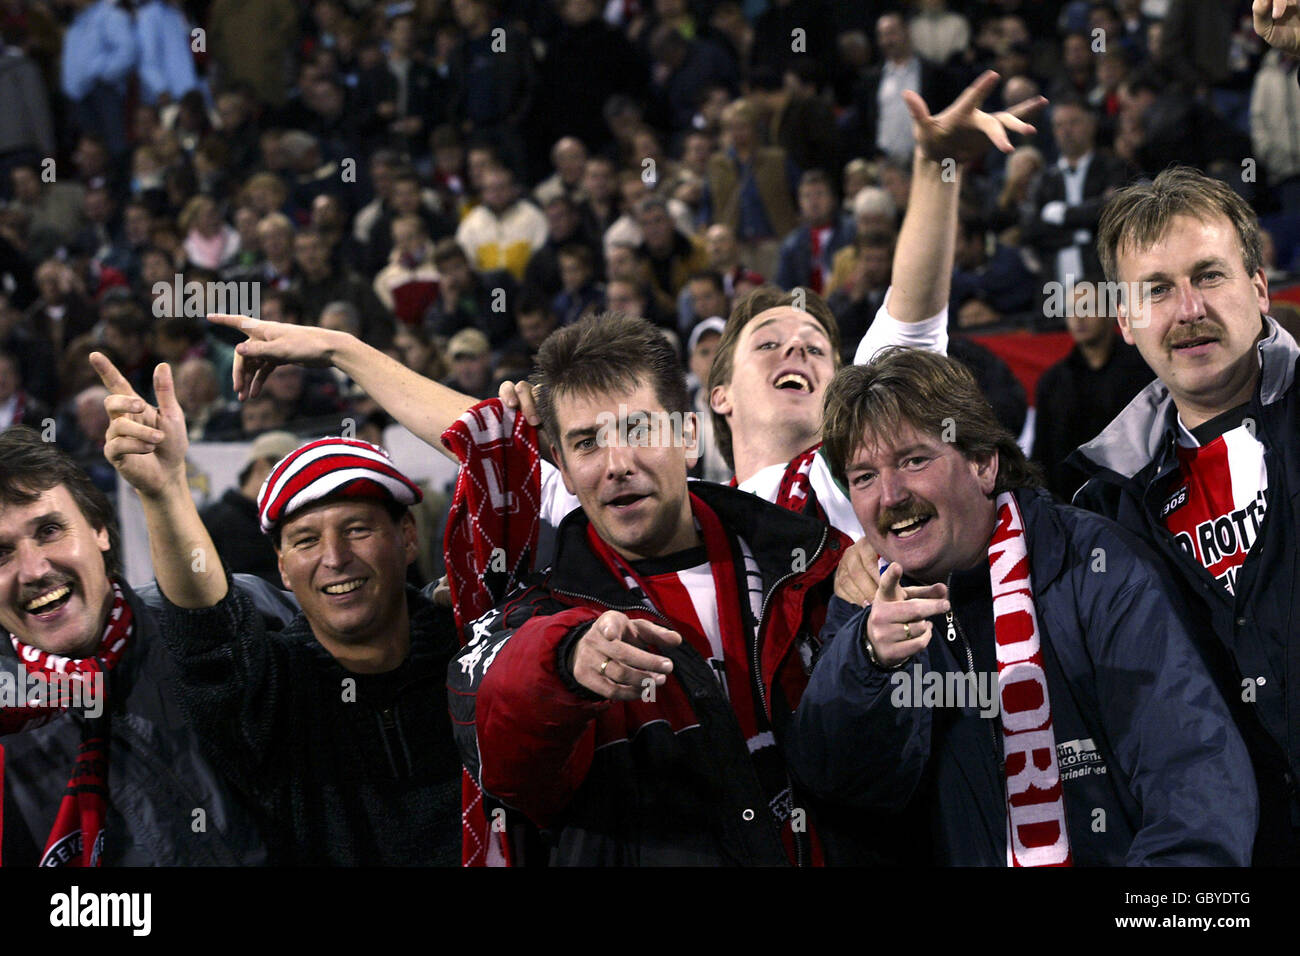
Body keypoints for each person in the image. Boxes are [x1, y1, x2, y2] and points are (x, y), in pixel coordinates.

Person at [787, 347, 1257, 865]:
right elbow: (838, 789)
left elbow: (1192, 778)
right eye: (864, 477)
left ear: (984, 463)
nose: (891, 495)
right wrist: (869, 664)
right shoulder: (865, 613)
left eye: (914, 460)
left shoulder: (1090, 564)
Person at [446, 312, 841, 865]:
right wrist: (564, 663)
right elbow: (501, 759)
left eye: (637, 430)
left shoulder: (818, 568)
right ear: (559, 462)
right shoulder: (532, 615)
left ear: (687, 436)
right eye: (587, 443)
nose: (617, 465)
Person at [92, 354, 463, 865]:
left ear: (404, 537)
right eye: (306, 540)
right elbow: (208, 632)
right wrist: (164, 491)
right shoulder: (271, 689)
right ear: (283, 569)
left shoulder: (472, 651)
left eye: (357, 529)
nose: (335, 558)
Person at [1069, 164, 1300, 863]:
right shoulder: (1100, 508)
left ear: (1259, 290)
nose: (1189, 308)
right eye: (1158, 290)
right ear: (1127, 322)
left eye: (1210, 276)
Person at [0, 426, 282, 866]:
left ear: (99, 530)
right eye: (1, 554)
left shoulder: (249, 611)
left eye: (50, 530)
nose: (34, 570)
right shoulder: (8, 726)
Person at [1031, 279, 1154, 500]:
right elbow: (1043, 455)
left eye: (1087, 307)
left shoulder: (1145, 370)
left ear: (1111, 312)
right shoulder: (1053, 382)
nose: (1078, 317)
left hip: (1139, 496)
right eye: (1071, 310)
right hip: (1072, 505)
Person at [198, 430, 300, 587]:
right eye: (290, 473)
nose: (296, 484)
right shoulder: (212, 520)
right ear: (261, 466)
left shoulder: (287, 522)